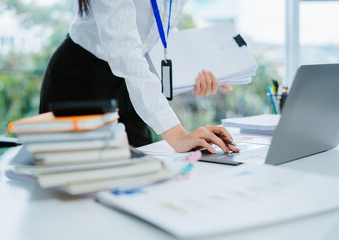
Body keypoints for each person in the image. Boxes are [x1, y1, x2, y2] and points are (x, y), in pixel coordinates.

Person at [39, 0, 239, 154]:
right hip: (80, 79)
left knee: (142, 176)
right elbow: (124, 50)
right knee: (76, 190)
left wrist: (194, 73)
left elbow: (159, 29)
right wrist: (177, 134)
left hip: (133, 83)